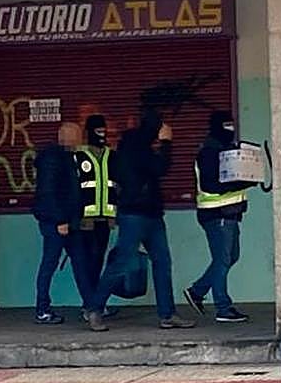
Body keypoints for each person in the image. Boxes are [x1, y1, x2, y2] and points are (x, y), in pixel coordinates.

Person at [92, 103, 194, 330]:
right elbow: (160, 168)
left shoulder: (127, 147)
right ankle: (95, 308)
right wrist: (166, 142)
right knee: (129, 261)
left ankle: (167, 314)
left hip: (144, 212)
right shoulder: (138, 149)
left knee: (159, 261)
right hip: (138, 214)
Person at [32, 121, 105, 329]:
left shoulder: (68, 157)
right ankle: (42, 309)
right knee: (50, 263)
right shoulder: (53, 159)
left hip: (70, 222)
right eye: (78, 135)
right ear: (67, 137)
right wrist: (60, 220)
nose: (81, 139)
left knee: (81, 263)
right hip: (57, 223)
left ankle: (91, 307)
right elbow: (49, 192)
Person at [184, 111, 253, 324]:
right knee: (223, 260)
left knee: (231, 257)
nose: (230, 129)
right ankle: (223, 307)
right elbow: (211, 185)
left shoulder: (226, 150)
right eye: (226, 125)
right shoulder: (209, 152)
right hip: (217, 213)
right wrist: (242, 183)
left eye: (232, 124)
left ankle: (197, 291)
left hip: (230, 213)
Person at [74, 106, 117, 315]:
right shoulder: (79, 155)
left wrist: (113, 215)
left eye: (104, 130)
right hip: (86, 220)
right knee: (88, 262)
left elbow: (115, 187)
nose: (102, 134)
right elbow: (75, 188)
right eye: (98, 130)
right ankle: (90, 304)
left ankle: (95, 303)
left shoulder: (111, 155)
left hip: (105, 218)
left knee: (99, 261)